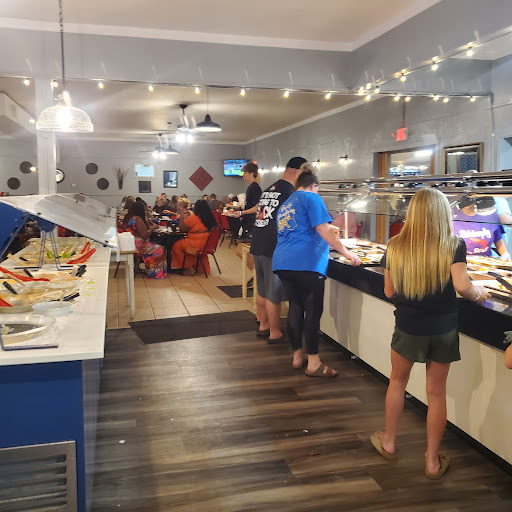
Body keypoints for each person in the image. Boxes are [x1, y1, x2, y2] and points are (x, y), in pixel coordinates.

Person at [372, 188, 490, 479]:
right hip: (443, 329)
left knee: (397, 382)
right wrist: (479, 294)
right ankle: (432, 461)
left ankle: (389, 442)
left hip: (408, 327)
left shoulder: (395, 245)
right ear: (442, 214)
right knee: (436, 394)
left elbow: (389, 291)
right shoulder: (453, 244)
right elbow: (462, 285)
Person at [273, 167, 361, 376]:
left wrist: (330, 231)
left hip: (283, 261)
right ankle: (313, 362)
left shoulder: (287, 203)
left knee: (295, 307)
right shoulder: (312, 197)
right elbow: (322, 228)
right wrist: (347, 253)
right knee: (312, 312)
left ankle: (297, 356)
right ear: (314, 185)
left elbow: (302, 229)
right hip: (306, 263)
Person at [250, 156, 307, 343]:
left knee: (262, 290)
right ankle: (275, 333)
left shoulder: (269, 189)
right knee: (273, 293)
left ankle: (263, 325)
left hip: (258, 243)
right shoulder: (291, 192)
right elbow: (293, 222)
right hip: (274, 247)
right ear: (297, 173)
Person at [234, 162, 262, 287]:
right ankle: (257, 274)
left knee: (242, 251)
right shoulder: (251, 188)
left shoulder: (255, 188)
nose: (243, 175)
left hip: (251, 225)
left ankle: (258, 274)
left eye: (245, 172)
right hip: (248, 223)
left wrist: (242, 212)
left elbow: (257, 207)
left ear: (251, 173)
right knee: (245, 252)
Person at [122, 201, 167, 279]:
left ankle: (151, 268)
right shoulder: (138, 219)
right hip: (138, 244)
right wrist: (152, 228)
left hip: (130, 243)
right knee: (160, 249)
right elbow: (144, 236)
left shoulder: (129, 218)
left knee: (156, 246)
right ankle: (154, 272)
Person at [172, 199, 217, 274]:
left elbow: (182, 229)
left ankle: (187, 267)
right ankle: (200, 269)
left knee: (176, 246)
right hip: (207, 246)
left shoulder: (194, 218)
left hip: (195, 247)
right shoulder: (211, 218)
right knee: (190, 248)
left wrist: (182, 215)